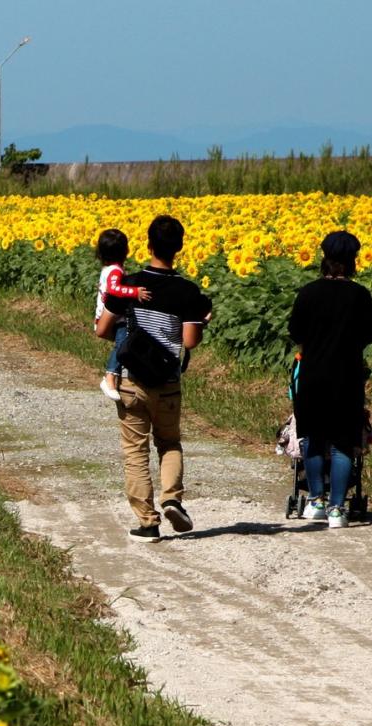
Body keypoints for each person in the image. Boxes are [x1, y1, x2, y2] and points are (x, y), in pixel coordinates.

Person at [96, 215, 212, 540]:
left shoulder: (131, 285)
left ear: (148, 245)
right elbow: (189, 341)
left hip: (132, 381)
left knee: (135, 451)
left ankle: (148, 522)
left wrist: (130, 342)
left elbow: (103, 329)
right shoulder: (187, 292)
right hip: (168, 383)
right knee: (169, 443)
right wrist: (201, 323)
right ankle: (172, 498)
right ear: (180, 248)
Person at [288, 230, 372, 529]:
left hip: (313, 377)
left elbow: (296, 333)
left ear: (324, 258)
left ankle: (316, 502)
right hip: (347, 378)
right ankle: (338, 509)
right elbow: (367, 336)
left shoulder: (308, 293)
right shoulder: (360, 296)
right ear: (353, 261)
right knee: (342, 443)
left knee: (312, 439)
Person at [93, 228, 151, 401]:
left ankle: (117, 377)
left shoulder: (108, 269)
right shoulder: (116, 271)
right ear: (126, 250)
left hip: (105, 315)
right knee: (123, 343)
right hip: (114, 318)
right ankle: (110, 376)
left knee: (123, 343)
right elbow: (114, 289)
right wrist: (135, 292)